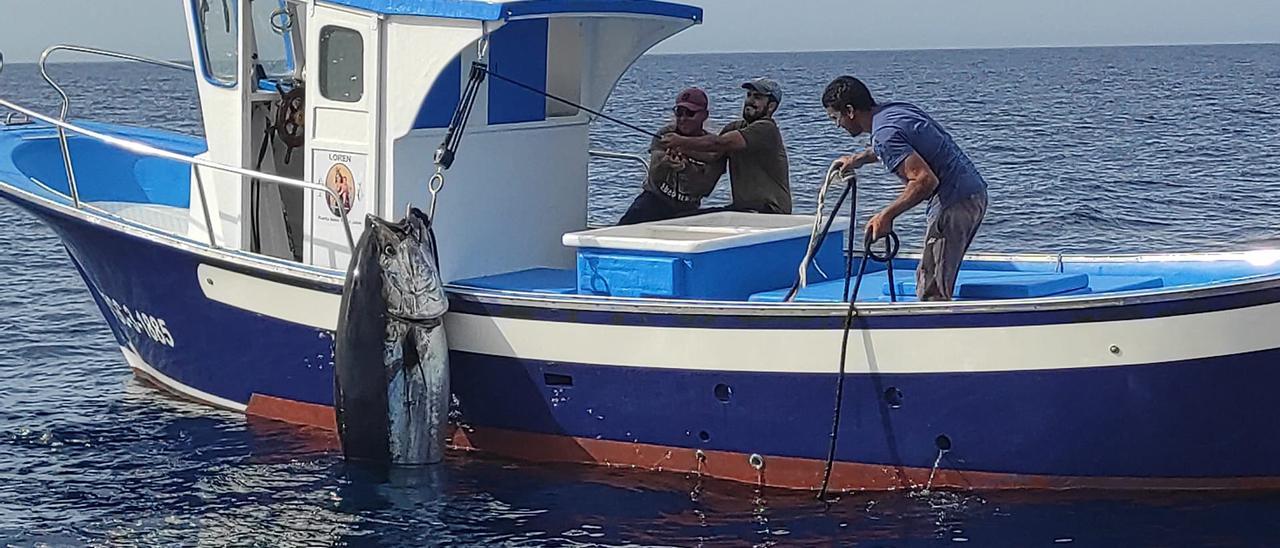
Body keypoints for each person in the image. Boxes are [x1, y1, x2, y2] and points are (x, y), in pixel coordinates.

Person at [822, 75, 988, 301]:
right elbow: (899, 145)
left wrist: (886, 216)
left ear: (850, 111)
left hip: (953, 201)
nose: (837, 125)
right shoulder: (893, 112)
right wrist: (857, 159)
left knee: (932, 286)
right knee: (936, 275)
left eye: (836, 118)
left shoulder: (884, 134)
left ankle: (934, 330)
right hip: (973, 191)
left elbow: (924, 181)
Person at [660, 78, 791, 214]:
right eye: (748, 95)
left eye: (757, 97)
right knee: (684, 217)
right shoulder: (735, 127)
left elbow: (719, 143)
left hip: (770, 211)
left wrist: (679, 141)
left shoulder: (767, 129)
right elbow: (713, 154)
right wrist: (680, 150)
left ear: (771, 106)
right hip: (743, 209)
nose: (749, 100)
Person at [617, 87, 726, 225]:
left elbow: (705, 189)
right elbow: (654, 177)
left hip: (688, 208)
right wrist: (665, 163)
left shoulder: (714, 145)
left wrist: (686, 168)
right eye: (679, 112)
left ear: (704, 115)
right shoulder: (665, 134)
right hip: (654, 201)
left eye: (690, 113)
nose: (683, 118)